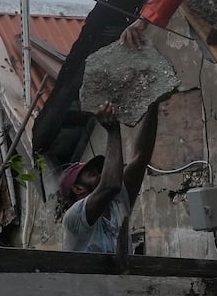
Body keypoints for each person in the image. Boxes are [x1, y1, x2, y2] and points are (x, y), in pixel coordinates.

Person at [59, 98, 160, 254]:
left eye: (101, 171)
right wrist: (113, 131)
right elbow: (111, 185)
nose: (101, 175)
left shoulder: (116, 204)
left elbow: (140, 158)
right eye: (93, 174)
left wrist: (152, 105)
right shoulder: (74, 216)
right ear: (78, 189)